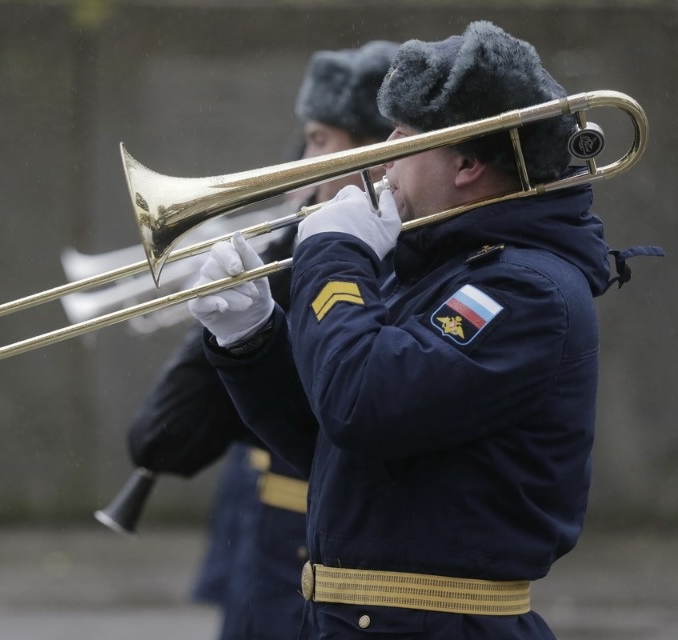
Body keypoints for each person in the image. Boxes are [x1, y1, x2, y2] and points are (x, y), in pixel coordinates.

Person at [188, 21, 662, 639]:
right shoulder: (440, 269)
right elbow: (332, 443)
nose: (382, 155)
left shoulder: (523, 290)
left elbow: (365, 404)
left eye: (404, 136)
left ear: (466, 162)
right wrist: (251, 338)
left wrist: (333, 255)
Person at [125, 42, 399, 640]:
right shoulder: (299, 252)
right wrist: (237, 308)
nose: (301, 160)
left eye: (321, 141)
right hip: (287, 542)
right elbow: (160, 440)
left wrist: (282, 270)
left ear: (382, 155)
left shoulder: (400, 270)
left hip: (322, 552)